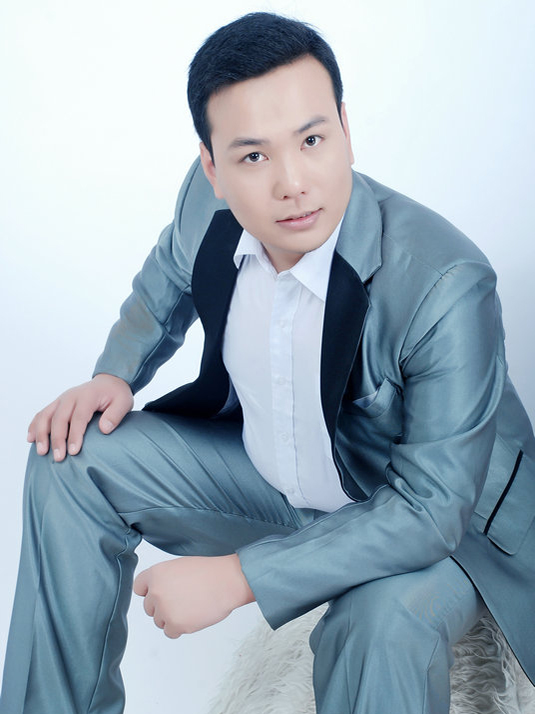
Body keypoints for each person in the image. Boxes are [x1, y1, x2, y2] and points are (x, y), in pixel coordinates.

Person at [1, 11, 534, 714]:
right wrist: (114, 374)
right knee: (70, 457)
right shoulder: (206, 205)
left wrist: (237, 578)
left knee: (378, 624)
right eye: (253, 157)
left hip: (439, 527)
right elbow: (166, 279)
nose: (293, 183)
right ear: (213, 168)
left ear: (345, 128)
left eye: (312, 140)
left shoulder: (445, 281)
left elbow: (431, 510)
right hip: (279, 482)